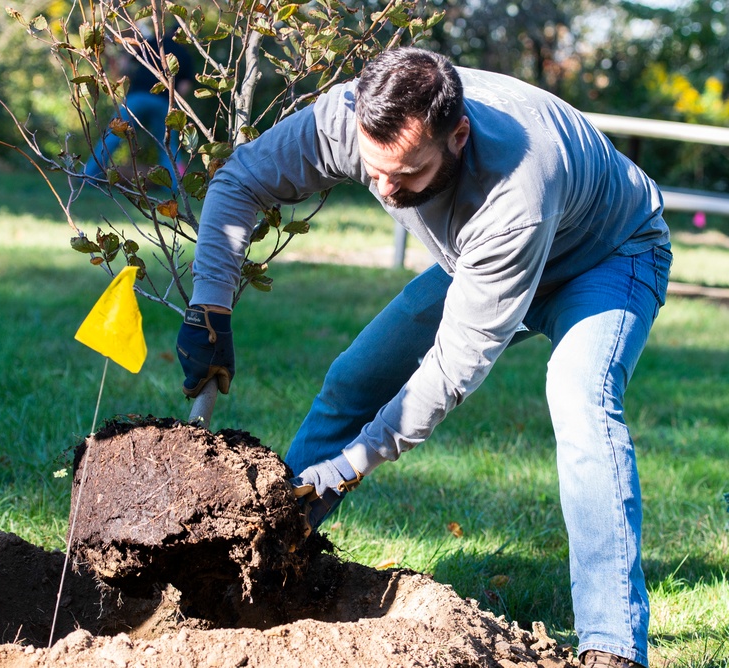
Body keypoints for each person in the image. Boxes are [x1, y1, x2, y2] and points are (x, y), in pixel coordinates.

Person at [175, 47, 670, 668]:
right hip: (478, 263)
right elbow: (240, 179)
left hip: (608, 256)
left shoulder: (515, 190)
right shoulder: (350, 117)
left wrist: (352, 463)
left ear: (457, 136)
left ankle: (612, 643)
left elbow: (450, 371)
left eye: (406, 175)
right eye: (373, 169)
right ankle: (270, 551)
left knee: (580, 401)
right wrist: (209, 308)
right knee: (354, 380)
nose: (384, 188)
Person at [84, 33, 195, 182]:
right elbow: (183, 88)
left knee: (113, 135)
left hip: (137, 96)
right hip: (164, 102)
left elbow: (125, 64)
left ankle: (88, 176)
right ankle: (175, 186)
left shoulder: (151, 43)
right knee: (168, 146)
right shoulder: (185, 55)